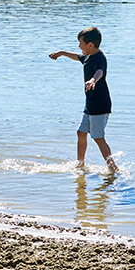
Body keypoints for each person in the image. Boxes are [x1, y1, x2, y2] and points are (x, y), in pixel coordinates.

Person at [49, 26, 116, 171]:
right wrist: (61, 53)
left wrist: (93, 80)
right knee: (81, 132)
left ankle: (113, 168)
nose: (79, 46)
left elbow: (100, 72)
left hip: (100, 105)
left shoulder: (99, 58)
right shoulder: (87, 57)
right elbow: (76, 56)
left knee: (98, 137)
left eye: (81, 43)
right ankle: (80, 163)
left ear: (90, 45)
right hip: (90, 104)